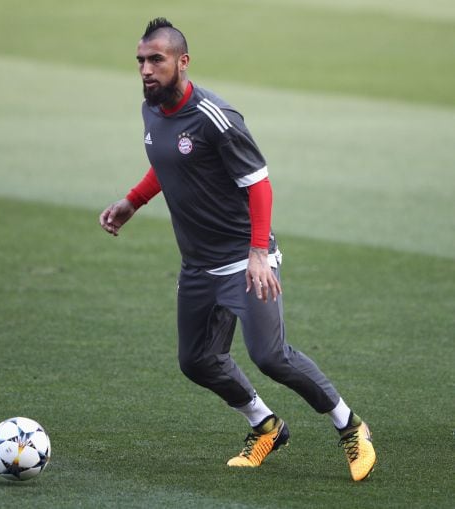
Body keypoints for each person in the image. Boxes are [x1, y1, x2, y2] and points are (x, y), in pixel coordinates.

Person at [99, 17, 376, 481]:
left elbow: (259, 184)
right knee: (197, 360)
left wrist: (258, 253)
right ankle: (266, 425)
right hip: (198, 265)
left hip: (245, 260)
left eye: (156, 60)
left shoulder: (217, 118)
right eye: (141, 61)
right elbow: (167, 163)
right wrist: (133, 201)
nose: (146, 70)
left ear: (182, 62)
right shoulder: (152, 109)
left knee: (271, 356)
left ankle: (351, 427)